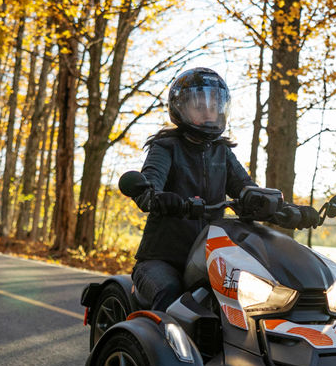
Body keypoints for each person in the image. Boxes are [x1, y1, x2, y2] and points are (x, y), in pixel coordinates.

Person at [130, 67, 316, 310]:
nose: (208, 112)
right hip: (162, 259)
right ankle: (160, 346)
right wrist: (158, 198)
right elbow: (149, 185)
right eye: (199, 107)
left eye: (213, 106)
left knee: (252, 296)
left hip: (211, 258)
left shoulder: (222, 152)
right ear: (180, 108)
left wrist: (291, 212)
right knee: (170, 293)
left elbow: (249, 192)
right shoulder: (166, 147)